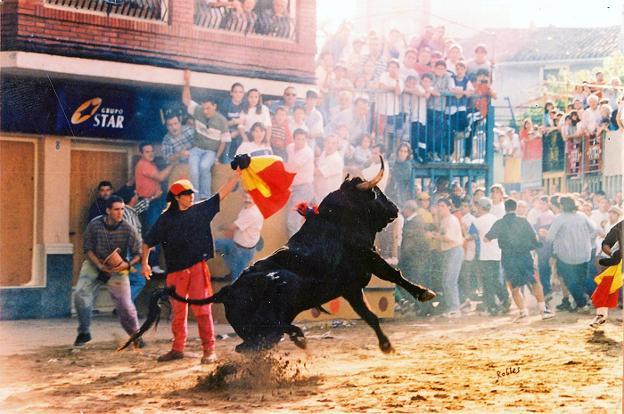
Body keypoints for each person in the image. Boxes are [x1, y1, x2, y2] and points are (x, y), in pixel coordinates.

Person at [142, 170, 242, 364]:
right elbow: (147, 242)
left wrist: (237, 175)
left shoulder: (200, 210)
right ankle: (177, 349)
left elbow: (222, 194)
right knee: (178, 312)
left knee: (202, 310)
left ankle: (209, 351)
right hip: (176, 272)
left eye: (191, 193)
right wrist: (145, 263)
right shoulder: (165, 219)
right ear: (178, 198)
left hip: (197, 269)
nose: (191, 196)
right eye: (187, 194)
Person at [73, 195, 143, 347]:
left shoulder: (127, 228)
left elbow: (138, 253)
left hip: (118, 267)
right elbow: (88, 249)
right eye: (116, 209)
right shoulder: (94, 224)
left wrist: (127, 264)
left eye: (123, 209)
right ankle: (84, 332)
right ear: (108, 211)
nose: (120, 213)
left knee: (125, 305)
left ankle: (136, 335)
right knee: (80, 294)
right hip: (94, 263)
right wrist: (99, 265)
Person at [485, 199, 554, 322]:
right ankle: (543, 310)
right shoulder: (523, 221)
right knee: (534, 282)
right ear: (515, 208)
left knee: (514, 286)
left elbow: (486, 238)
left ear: (505, 208)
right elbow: (535, 238)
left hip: (508, 257)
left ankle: (523, 312)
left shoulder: (499, 223)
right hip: (525, 255)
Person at [182, 70, 231, 200]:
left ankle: (205, 196)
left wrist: (218, 157)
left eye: (208, 108)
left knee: (204, 166)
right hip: (196, 149)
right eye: (204, 108)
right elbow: (186, 100)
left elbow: (224, 141)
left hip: (210, 151)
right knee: (193, 170)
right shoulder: (198, 111)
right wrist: (187, 83)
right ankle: (195, 198)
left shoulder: (222, 120)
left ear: (215, 106)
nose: (205, 111)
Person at [547, 196, 597, 313]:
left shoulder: (560, 218)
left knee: (570, 281)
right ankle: (595, 300)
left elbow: (550, 237)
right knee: (582, 280)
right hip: (584, 253)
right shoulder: (582, 216)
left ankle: (582, 304)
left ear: (562, 206)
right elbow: (594, 229)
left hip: (566, 255)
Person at [472, 197, 510, 315]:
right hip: (497, 254)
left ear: (482, 208)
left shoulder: (478, 221)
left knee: (487, 282)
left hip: (486, 256)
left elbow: (470, 234)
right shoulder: (495, 218)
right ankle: (505, 300)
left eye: (478, 206)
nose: (476, 208)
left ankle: (492, 307)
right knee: (496, 280)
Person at [215, 193, 264, 282]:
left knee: (237, 278)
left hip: (243, 251)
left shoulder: (252, 213)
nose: (247, 199)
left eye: (250, 197)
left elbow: (232, 227)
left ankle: (233, 280)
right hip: (237, 245)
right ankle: (232, 271)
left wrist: (220, 227)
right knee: (217, 244)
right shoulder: (248, 207)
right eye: (245, 196)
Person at [113, 185, 147, 306]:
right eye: (136, 195)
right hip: (128, 255)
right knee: (139, 281)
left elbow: (141, 206)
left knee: (129, 281)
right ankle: (124, 305)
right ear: (132, 198)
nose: (137, 197)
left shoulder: (129, 211)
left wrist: (152, 198)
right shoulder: (127, 214)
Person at [431, 198, 464, 318]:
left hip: (454, 250)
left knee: (450, 280)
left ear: (449, 207)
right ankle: (451, 307)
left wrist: (434, 236)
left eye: (442, 206)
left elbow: (448, 237)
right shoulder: (444, 220)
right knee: (446, 280)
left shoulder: (452, 220)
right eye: (439, 205)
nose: (440, 208)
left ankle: (455, 308)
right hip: (448, 251)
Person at [589, 219, 622, 328]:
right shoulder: (621, 225)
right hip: (620, 262)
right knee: (606, 285)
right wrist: (613, 254)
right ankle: (601, 315)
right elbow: (606, 243)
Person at [285, 129, 314, 237]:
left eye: (303, 139)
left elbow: (292, 168)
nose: (301, 141)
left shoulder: (308, 152)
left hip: (304, 189)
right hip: (293, 188)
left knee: (293, 222)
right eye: (298, 139)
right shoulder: (290, 147)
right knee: (293, 222)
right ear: (294, 139)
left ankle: (295, 251)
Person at [160, 112, 194, 185]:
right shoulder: (166, 140)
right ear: (166, 126)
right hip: (180, 168)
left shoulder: (189, 130)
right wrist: (178, 154)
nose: (174, 127)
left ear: (180, 121)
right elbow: (167, 159)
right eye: (170, 125)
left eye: (175, 123)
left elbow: (201, 145)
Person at [314, 134, 344, 203]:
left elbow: (318, 173)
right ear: (324, 143)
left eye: (333, 143)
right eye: (328, 142)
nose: (330, 145)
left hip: (330, 198)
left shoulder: (337, 160)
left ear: (337, 145)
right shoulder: (324, 153)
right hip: (320, 194)